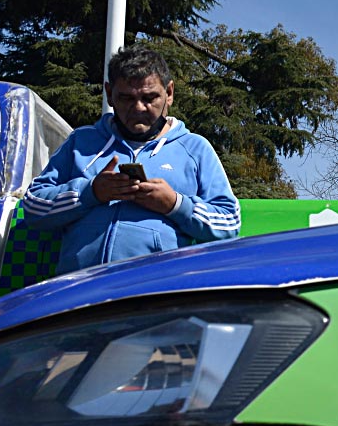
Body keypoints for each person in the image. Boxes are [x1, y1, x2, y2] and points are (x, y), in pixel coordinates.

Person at [24, 46, 239, 273]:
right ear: (109, 93)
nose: (138, 108)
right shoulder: (82, 141)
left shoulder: (195, 148)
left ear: (170, 93)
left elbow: (229, 222)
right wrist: (91, 192)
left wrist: (175, 204)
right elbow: (33, 208)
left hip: (154, 295)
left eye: (149, 97)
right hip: (80, 293)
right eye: (126, 98)